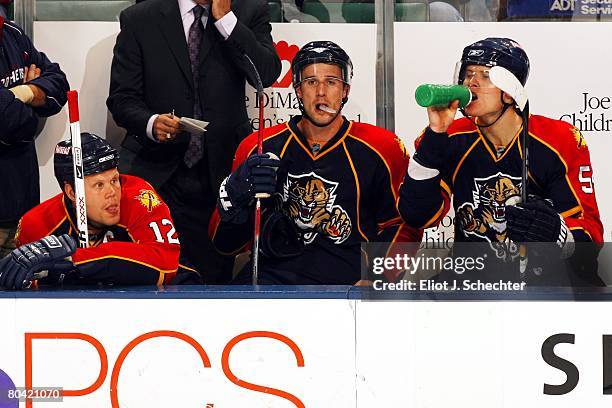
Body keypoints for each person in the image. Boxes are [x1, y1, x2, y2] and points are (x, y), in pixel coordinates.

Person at [209, 41, 422, 285]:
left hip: (345, 286)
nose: (321, 92)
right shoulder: (258, 147)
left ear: (345, 91)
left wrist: (380, 277)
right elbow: (223, 246)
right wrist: (234, 200)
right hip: (271, 281)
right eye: (311, 82)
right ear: (298, 91)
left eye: (331, 82)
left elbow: (405, 225)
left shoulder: (381, 148)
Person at [398, 37, 604, 286]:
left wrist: (557, 234)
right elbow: (417, 215)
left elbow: (589, 239)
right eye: (467, 74)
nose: (471, 83)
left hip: (543, 288)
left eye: (485, 75)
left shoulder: (558, 140)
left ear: (510, 90)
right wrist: (435, 135)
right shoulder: (449, 137)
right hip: (474, 283)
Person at [106, 0, 281, 283]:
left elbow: (267, 73)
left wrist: (225, 19)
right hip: (157, 177)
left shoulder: (248, 11)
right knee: (152, 280)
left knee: (211, 286)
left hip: (219, 179)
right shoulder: (140, 18)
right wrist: (152, 123)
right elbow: (122, 98)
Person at [0, 132, 200, 290]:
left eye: (114, 180)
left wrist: (75, 260)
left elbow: (166, 263)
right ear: (71, 192)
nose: (112, 192)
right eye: (99, 185)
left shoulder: (139, 196)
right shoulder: (37, 224)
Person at [0, 16, 69, 258]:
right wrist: (29, 106)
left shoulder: (12, 34)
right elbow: (8, 121)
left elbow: (60, 84)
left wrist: (25, 92)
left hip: (22, 211)